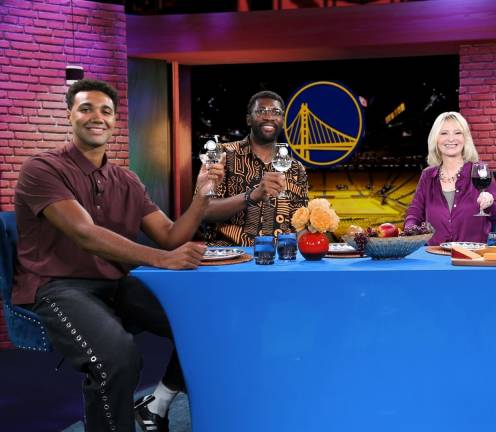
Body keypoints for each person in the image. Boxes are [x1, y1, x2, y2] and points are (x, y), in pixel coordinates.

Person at [12, 79, 224, 432]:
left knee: (207, 323)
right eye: (86, 109)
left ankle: (155, 406)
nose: (97, 117)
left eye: (106, 111)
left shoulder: (127, 179)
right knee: (117, 358)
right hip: (58, 286)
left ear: (114, 120)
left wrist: (202, 195)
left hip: (116, 282)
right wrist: (161, 260)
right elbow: (85, 233)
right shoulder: (42, 169)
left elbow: (171, 236)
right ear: (69, 115)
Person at [202, 90, 309, 245]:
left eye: (276, 112)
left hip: (281, 257)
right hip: (231, 255)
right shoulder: (221, 155)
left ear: (283, 121)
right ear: (248, 120)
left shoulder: (296, 168)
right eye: (261, 111)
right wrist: (252, 196)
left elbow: (300, 225)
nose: (269, 117)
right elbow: (203, 210)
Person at [405, 111, 496, 245]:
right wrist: (410, 230)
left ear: (465, 138)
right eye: (444, 133)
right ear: (435, 139)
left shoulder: (480, 171)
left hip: (472, 255)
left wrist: (490, 205)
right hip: (434, 254)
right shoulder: (427, 176)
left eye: (457, 133)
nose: (451, 139)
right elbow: (414, 214)